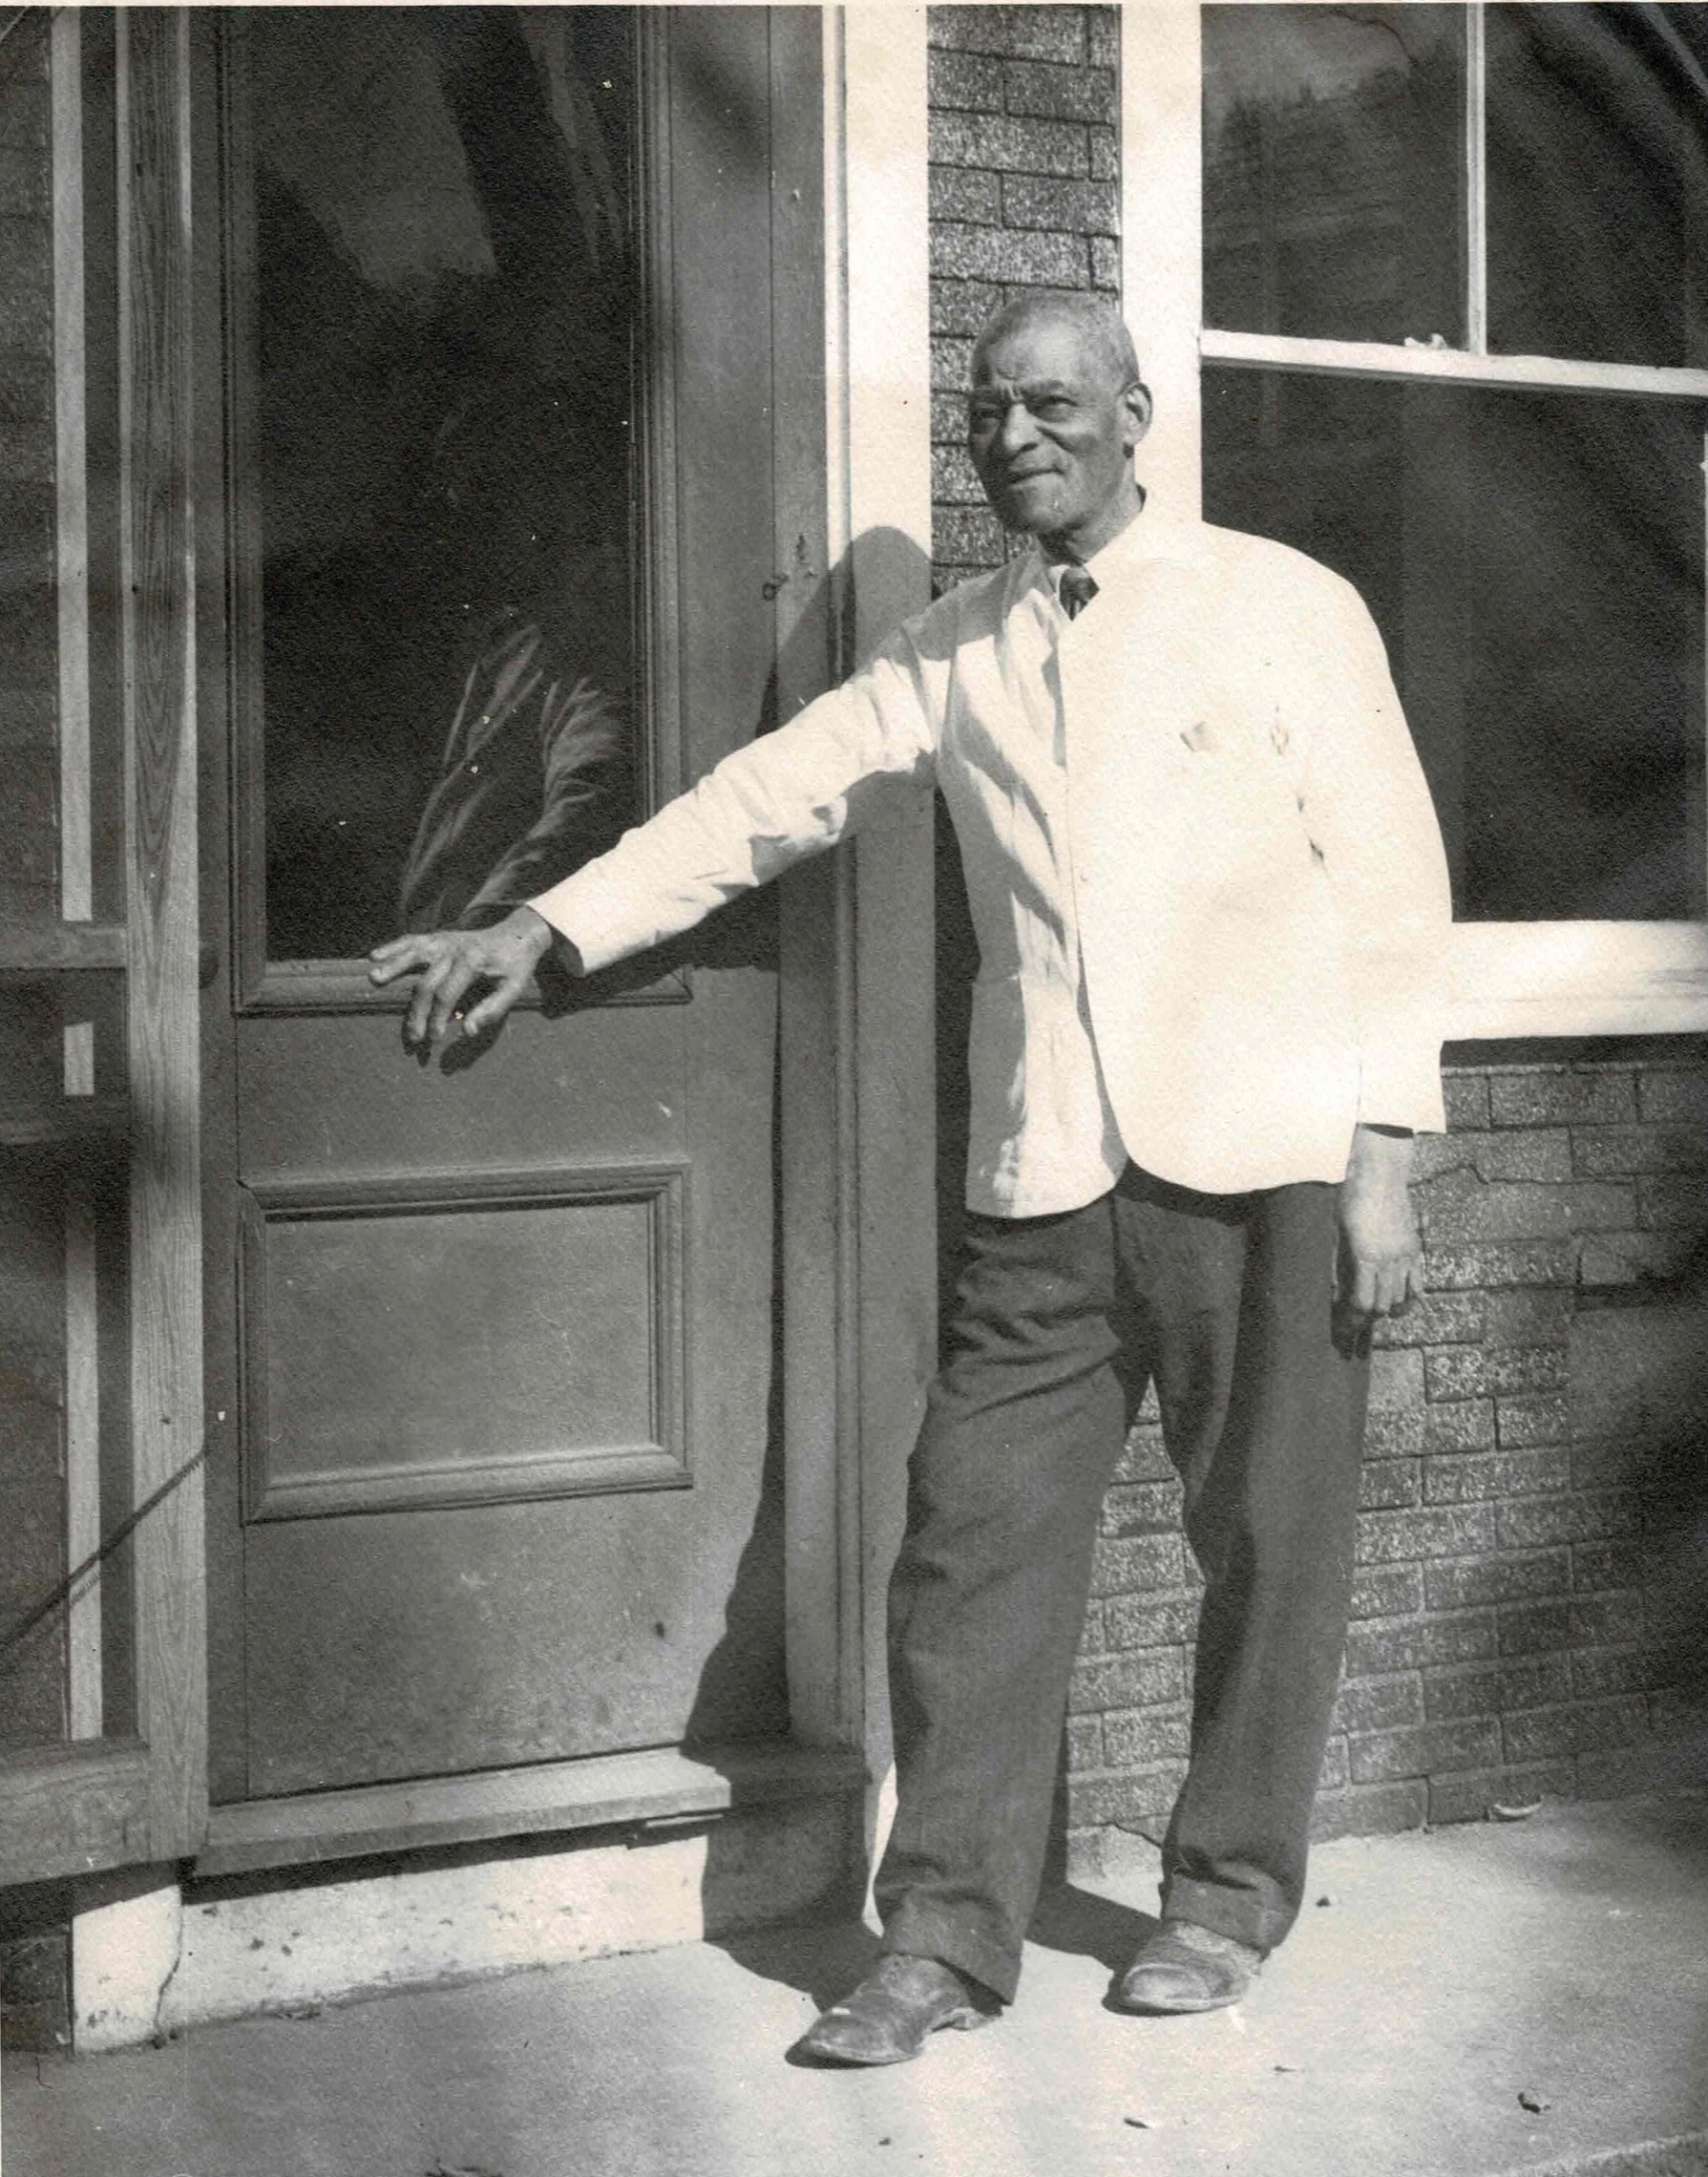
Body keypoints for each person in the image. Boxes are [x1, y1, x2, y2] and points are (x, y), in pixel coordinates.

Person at [369, 292, 1451, 2065]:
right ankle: (945, 1940)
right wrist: (545, 924)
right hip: (1046, 1180)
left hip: (1271, 1164)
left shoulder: (1282, 606)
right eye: (989, 412)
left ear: (1133, 413)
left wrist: (1384, 1158)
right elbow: (760, 801)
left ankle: (1222, 1903)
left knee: (1272, 1552)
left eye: (1053, 405)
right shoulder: (957, 646)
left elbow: (1396, 889)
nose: (1017, 437)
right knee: (967, 1559)